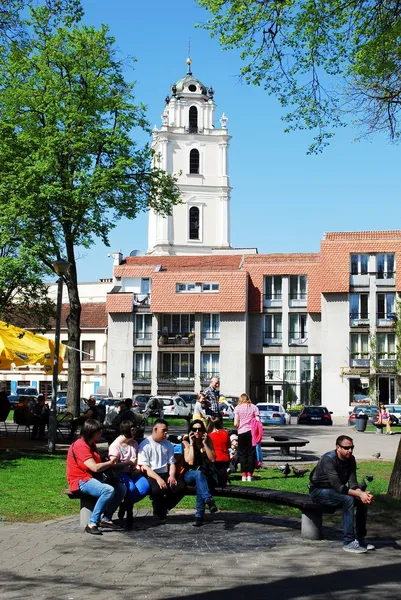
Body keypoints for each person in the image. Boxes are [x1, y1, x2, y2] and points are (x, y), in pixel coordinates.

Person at [309, 435, 374, 554]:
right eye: (346, 448)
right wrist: (359, 494)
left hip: (335, 491)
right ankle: (349, 541)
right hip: (318, 491)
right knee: (348, 500)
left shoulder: (351, 459)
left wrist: (362, 494)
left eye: (352, 447)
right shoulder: (328, 459)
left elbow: (353, 484)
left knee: (362, 502)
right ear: (338, 447)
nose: (350, 450)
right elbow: (338, 486)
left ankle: (360, 538)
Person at [66, 419, 126, 535]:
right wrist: (110, 463)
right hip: (79, 480)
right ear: (91, 432)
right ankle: (92, 523)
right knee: (108, 490)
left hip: (91, 477)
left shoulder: (91, 443)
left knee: (121, 488)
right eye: (99, 432)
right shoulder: (80, 445)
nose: (101, 434)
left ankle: (106, 518)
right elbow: (94, 467)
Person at [138, 419, 185, 523]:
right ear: (155, 429)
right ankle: (160, 511)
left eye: (166, 431)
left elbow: (171, 463)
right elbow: (144, 467)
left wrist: (172, 475)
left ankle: (163, 508)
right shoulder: (145, 445)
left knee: (180, 487)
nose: (166, 433)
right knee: (157, 490)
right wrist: (158, 479)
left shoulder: (167, 444)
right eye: (163, 430)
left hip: (166, 472)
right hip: (151, 474)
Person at [108, 420, 150, 530]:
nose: (135, 431)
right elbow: (113, 465)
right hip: (120, 473)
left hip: (132, 473)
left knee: (145, 487)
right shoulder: (115, 445)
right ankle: (129, 516)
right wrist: (129, 463)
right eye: (132, 429)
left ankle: (124, 505)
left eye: (135, 429)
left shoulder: (134, 443)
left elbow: (135, 461)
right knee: (131, 489)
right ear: (126, 430)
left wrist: (136, 468)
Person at [182, 419, 218, 527]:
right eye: (194, 429)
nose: (197, 431)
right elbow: (190, 461)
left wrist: (205, 445)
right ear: (191, 431)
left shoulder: (207, 440)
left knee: (200, 483)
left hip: (204, 475)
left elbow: (212, 459)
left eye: (200, 429)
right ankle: (208, 500)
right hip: (189, 474)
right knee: (198, 475)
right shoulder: (186, 442)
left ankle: (199, 517)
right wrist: (192, 444)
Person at [233, 393, 260, 481]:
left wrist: (239, 426)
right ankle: (249, 475)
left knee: (242, 454)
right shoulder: (254, 407)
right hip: (251, 432)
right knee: (251, 454)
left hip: (241, 432)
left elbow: (235, 423)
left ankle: (243, 475)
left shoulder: (237, 408)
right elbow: (258, 420)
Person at [207, 417, 230, 483]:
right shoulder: (225, 433)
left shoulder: (209, 436)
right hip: (225, 457)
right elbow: (229, 445)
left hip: (215, 458)